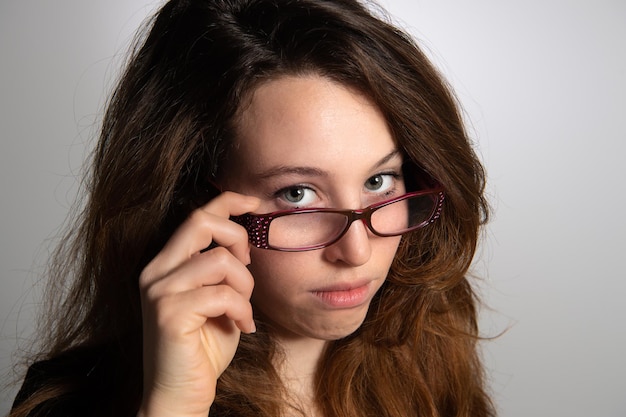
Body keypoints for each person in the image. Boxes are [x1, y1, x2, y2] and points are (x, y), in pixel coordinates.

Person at [10, 0, 494, 416]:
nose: (357, 250)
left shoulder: (430, 350)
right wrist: (175, 405)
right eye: (298, 193)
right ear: (195, 199)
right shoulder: (70, 403)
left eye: (378, 180)